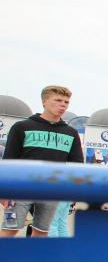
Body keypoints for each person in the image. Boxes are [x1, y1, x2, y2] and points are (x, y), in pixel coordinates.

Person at [1, 85, 84, 237]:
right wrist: (5, 190)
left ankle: (36, 261)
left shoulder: (71, 133)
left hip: (51, 190)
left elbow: (77, 165)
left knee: (42, 232)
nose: (63, 105)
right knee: (9, 229)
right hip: (20, 188)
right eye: (58, 100)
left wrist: (75, 191)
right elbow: (9, 160)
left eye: (66, 102)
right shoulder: (22, 127)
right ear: (45, 101)